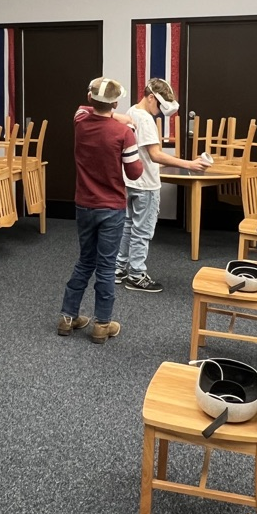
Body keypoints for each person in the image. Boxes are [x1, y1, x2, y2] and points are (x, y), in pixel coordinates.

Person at [58, 77, 143, 344]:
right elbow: (135, 171)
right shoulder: (123, 134)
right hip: (111, 208)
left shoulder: (80, 122)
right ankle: (101, 324)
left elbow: (86, 107)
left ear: (91, 98)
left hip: (84, 204)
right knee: (106, 267)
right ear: (116, 103)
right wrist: (129, 128)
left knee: (85, 260)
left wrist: (114, 114)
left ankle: (67, 317)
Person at [115, 78, 210, 293]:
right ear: (150, 98)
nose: (158, 113)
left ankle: (119, 269)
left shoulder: (131, 112)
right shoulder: (146, 120)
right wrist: (190, 164)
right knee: (142, 231)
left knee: (129, 226)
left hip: (130, 181)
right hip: (146, 184)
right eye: (158, 106)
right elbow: (156, 155)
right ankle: (137, 275)